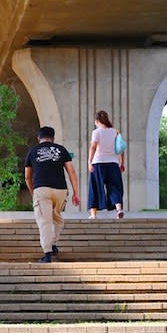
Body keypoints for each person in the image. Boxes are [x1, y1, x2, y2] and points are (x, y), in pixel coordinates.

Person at [24, 126, 80, 263]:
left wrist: (34, 192)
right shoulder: (61, 150)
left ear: (39, 138)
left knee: (44, 221)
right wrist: (75, 193)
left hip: (41, 188)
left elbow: (27, 177)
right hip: (60, 190)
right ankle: (53, 244)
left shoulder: (32, 152)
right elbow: (71, 171)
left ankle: (47, 253)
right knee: (57, 218)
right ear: (53, 139)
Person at [87, 110, 125, 219]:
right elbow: (121, 148)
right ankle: (119, 209)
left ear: (97, 121)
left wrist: (89, 162)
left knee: (94, 187)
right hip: (113, 164)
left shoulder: (97, 132)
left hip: (98, 163)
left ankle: (93, 215)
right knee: (114, 187)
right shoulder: (115, 132)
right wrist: (122, 163)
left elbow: (93, 147)